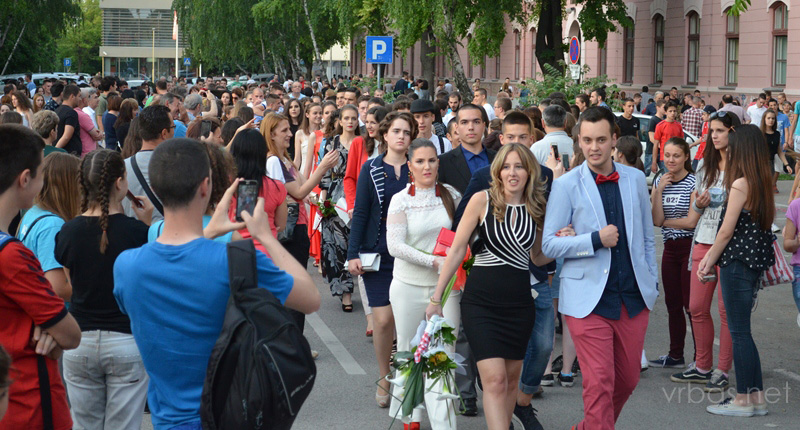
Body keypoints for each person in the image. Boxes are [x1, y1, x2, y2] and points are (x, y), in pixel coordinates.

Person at [113, 138, 319, 429]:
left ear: (156, 189)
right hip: (231, 414)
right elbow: (310, 299)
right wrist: (265, 237)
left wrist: (208, 233)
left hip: (169, 421)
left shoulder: (126, 267)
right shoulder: (235, 259)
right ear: (206, 187)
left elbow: (178, 263)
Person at [542, 107, 658, 430]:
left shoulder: (635, 179)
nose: (594, 147)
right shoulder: (566, 185)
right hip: (587, 298)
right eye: (587, 140)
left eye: (601, 140)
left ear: (614, 141)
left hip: (633, 298)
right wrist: (594, 239)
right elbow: (549, 244)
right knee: (599, 383)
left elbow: (648, 238)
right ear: (578, 141)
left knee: (628, 380)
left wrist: (652, 282)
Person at [428, 143, 550, 430]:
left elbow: (537, 256)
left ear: (529, 171)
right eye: (506, 166)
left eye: (519, 166)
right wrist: (436, 298)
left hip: (520, 305)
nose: (512, 172)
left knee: (509, 381)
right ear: (497, 171)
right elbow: (457, 250)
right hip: (481, 304)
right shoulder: (483, 200)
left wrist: (565, 242)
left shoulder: (536, 207)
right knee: (494, 380)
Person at [55, 149, 153, 429]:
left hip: (80, 339)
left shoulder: (68, 232)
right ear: (120, 183)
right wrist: (145, 225)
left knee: (85, 425)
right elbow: (144, 279)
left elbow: (71, 285)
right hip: (125, 340)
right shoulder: (137, 232)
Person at [0, 124, 82, 430]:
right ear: (25, 179)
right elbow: (71, 335)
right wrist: (49, 326)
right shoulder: (11, 256)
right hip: (29, 400)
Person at [696, 125, 774, 417]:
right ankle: (756, 398)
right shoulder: (761, 180)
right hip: (750, 262)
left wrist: (707, 261)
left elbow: (726, 231)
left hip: (737, 262)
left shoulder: (741, 183)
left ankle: (743, 399)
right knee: (744, 333)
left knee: (739, 332)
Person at [386, 139, 461, 429]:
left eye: (432, 161)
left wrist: (454, 264)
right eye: (420, 162)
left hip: (445, 290)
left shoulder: (451, 194)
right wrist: (433, 261)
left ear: (438, 163)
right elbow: (395, 246)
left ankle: (444, 424)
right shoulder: (401, 199)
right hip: (406, 286)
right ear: (410, 166)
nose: (426, 166)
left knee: (442, 356)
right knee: (408, 351)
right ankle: (410, 417)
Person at [348, 111, 417, 409]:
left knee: (407, 323)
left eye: (407, 132)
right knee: (384, 319)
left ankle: (405, 377)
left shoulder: (419, 167)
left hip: (411, 255)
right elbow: (361, 212)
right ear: (385, 135)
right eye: (397, 131)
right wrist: (352, 254)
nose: (402, 136)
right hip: (377, 254)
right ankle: (384, 376)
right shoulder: (371, 168)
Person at [667, 111, 741, 393]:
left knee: (726, 311)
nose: (715, 136)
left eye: (720, 130)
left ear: (733, 132)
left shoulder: (742, 166)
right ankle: (702, 366)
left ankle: (722, 370)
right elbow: (694, 211)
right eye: (712, 131)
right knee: (696, 308)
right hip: (704, 240)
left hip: (731, 245)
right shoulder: (704, 165)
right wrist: (699, 203)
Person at [264, 113, 338, 336]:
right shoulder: (273, 161)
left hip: (298, 227)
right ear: (271, 134)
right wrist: (322, 167)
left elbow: (306, 189)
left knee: (294, 286)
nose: (290, 134)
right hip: (290, 230)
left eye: (289, 129)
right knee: (292, 288)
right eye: (284, 131)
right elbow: (298, 191)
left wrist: (330, 209)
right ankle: (291, 342)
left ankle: (294, 340)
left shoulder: (283, 159)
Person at [648, 137, 696, 369]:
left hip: (689, 247)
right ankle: (676, 355)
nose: (671, 160)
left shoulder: (694, 182)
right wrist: (658, 192)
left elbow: (690, 222)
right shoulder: (660, 180)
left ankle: (701, 360)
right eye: (667, 155)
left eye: (676, 155)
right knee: (672, 304)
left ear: (686, 156)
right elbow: (656, 220)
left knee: (692, 305)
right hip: (669, 250)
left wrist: (666, 222)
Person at [17, 152, 80, 304]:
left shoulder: (34, 211)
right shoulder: (53, 226)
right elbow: (58, 288)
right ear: (69, 187)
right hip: (56, 316)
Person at [320, 104, 359, 308]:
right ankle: (345, 293)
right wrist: (323, 201)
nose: (350, 122)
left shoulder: (363, 143)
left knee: (354, 242)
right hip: (336, 195)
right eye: (347, 118)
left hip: (357, 194)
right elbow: (325, 173)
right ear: (340, 121)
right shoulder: (331, 143)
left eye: (354, 118)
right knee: (337, 245)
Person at [228, 129, 287, 249]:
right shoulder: (277, 187)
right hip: (267, 252)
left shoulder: (226, 187)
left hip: (234, 251)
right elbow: (281, 224)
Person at [122, 105, 175, 223]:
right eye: (173, 127)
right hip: (167, 236)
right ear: (164, 133)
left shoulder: (122, 167)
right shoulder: (176, 166)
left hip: (134, 237)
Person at [439, 104, 497, 193]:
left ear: (483, 126)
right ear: (457, 128)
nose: (471, 127)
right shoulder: (443, 162)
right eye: (464, 122)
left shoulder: (498, 158)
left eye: (476, 122)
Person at [761, 109, 793, 193]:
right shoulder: (759, 133)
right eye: (768, 118)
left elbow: (779, 151)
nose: (771, 120)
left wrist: (787, 165)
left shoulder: (777, 134)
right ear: (764, 119)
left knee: (768, 190)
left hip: (770, 163)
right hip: (760, 163)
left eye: (773, 118)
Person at [652, 101, 684, 173]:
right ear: (665, 112)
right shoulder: (660, 126)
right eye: (670, 111)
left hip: (677, 157)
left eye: (674, 111)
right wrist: (654, 162)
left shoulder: (679, 126)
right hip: (665, 157)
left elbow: (682, 143)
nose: (672, 113)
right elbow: (656, 144)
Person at [55, 85, 83, 156]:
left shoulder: (57, 110)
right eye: (79, 96)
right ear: (72, 96)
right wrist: (55, 150)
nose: (80, 99)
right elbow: (67, 136)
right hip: (69, 155)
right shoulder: (71, 113)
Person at [295, 102, 322, 174]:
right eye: (315, 113)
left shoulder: (324, 133)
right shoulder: (300, 134)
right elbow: (297, 159)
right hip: (304, 172)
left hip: (320, 172)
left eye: (320, 113)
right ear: (307, 115)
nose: (318, 116)